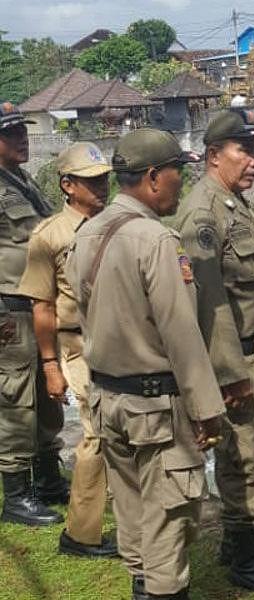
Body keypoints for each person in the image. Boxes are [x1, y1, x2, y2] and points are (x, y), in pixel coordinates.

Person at [66, 129, 225, 600]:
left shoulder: (87, 231)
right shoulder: (156, 240)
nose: (183, 181)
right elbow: (180, 332)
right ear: (153, 177)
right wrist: (206, 407)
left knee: (133, 510)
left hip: (108, 397)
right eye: (179, 171)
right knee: (170, 518)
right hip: (156, 405)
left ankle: (142, 585)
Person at [173, 110, 254, 597]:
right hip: (236, 359)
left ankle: (242, 538)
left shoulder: (235, 204)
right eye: (244, 150)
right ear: (213, 155)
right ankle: (245, 559)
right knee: (243, 455)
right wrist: (229, 374)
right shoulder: (202, 215)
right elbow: (209, 304)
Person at [17, 142, 118, 556]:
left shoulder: (116, 223)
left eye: (104, 179)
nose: (100, 188)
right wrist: (49, 365)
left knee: (118, 432)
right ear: (67, 185)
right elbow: (41, 306)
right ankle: (81, 533)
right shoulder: (51, 235)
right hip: (77, 345)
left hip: (118, 343)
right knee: (96, 435)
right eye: (91, 181)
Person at [0, 101, 64, 527]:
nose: (22, 138)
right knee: (15, 400)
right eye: (11, 134)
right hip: (10, 309)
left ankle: (47, 479)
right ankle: (16, 495)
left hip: (38, 307)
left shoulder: (21, 180)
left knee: (46, 397)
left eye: (22, 130)